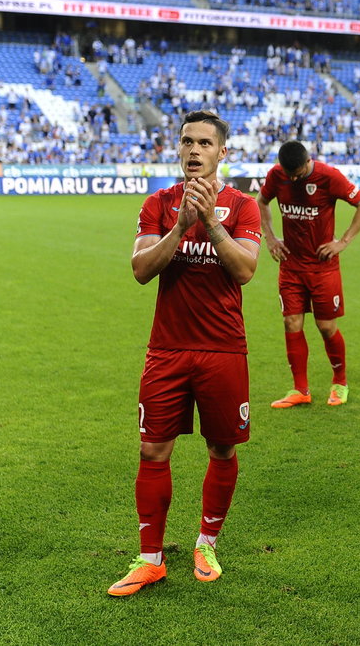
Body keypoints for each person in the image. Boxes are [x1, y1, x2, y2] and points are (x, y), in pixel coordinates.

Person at [108, 110, 262, 596]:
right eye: (186, 142)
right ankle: (150, 558)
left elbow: (245, 271)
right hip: (167, 349)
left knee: (222, 447)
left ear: (223, 152)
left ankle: (206, 541)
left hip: (222, 348)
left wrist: (212, 226)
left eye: (204, 143)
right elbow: (139, 269)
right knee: (152, 449)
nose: (194, 151)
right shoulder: (158, 203)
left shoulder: (243, 206)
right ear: (178, 149)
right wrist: (179, 228)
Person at [257, 140, 360, 408]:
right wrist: (271, 238)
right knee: (291, 323)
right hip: (290, 265)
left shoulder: (328, 176)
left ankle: (340, 382)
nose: (294, 179)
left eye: (298, 173)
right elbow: (261, 201)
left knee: (326, 327)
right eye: (290, 175)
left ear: (308, 161)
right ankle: (300, 390)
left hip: (323, 267)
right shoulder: (277, 175)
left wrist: (342, 242)